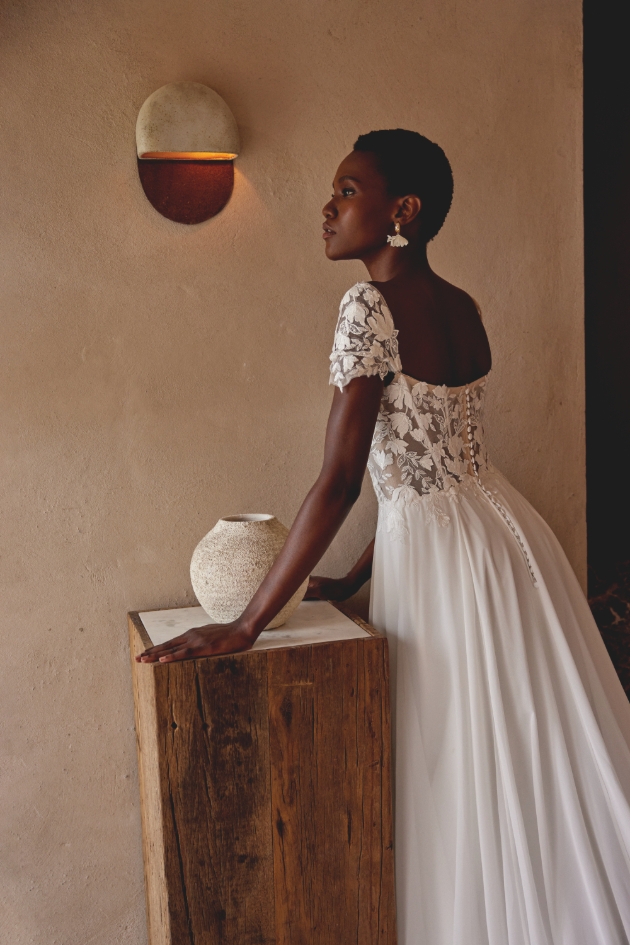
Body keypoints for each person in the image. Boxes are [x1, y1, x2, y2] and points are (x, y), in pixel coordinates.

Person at [137, 129, 630, 944]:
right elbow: (434, 471)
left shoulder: (369, 305)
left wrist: (247, 621)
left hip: (447, 565)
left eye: (348, 190)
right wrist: (349, 578)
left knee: (456, 762)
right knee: (523, 752)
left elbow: (344, 479)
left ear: (403, 210)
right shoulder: (463, 305)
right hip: (509, 543)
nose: (328, 207)